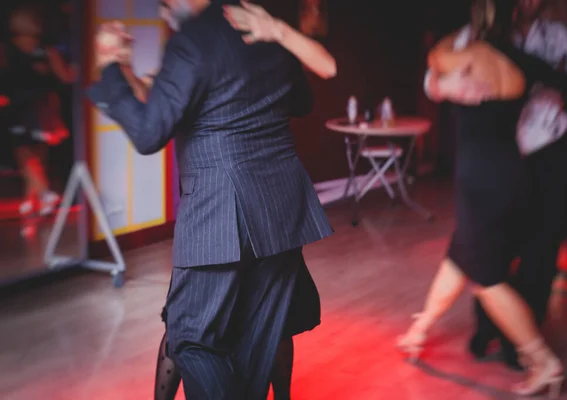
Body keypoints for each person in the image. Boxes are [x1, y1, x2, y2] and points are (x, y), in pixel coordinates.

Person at [88, 0, 333, 398]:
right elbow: (301, 102)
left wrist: (109, 66)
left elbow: (150, 134)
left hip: (220, 211)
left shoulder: (192, 40)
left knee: (188, 339)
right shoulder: (263, 26)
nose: (165, 5)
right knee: (256, 345)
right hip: (280, 209)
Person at [397, 0, 567, 396]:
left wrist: (441, 82)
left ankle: (542, 361)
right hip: (512, 172)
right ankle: (419, 330)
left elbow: (434, 57)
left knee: (487, 280)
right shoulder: (523, 60)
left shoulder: (465, 55)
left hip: (480, 180)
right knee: (459, 256)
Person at [467, 0, 567, 370]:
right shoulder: (483, 36)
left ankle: (523, 338)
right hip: (502, 151)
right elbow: (442, 78)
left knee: (541, 247)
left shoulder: (558, 35)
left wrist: (554, 81)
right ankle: (487, 324)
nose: (526, 2)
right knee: (496, 241)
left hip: (551, 151)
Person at [3, 3, 76, 223]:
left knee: (24, 152)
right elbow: (65, 77)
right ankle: (33, 198)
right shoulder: (47, 49)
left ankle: (43, 193)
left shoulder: (7, 48)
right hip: (43, 105)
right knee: (36, 152)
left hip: (20, 106)